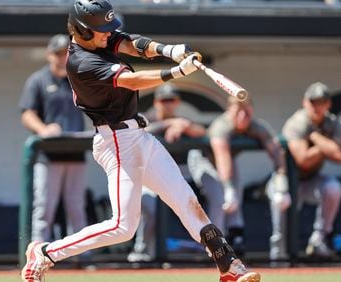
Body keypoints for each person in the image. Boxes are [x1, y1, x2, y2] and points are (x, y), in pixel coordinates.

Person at [21, 1, 260, 281]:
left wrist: (169, 51)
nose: (108, 34)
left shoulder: (100, 41)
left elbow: (132, 44)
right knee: (123, 226)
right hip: (117, 142)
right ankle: (46, 252)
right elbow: (133, 81)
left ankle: (228, 264)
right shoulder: (82, 62)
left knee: (184, 198)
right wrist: (176, 71)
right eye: (101, 30)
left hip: (137, 136)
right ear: (82, 31)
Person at [127, 83, 211, 262]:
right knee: (149, 204)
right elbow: (141, 132)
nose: (167, 104)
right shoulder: (146, 118)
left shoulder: (182, 120)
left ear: (177, 102)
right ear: (156, 102)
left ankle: (209, 248)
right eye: (164, 100)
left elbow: (203, 133)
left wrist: (185, 126)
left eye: (171, 100)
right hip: (149, 174)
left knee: (195, 203)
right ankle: (143, 250)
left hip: (179, 173)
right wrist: (170, 123)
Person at [196, 97, 288, 260]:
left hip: (229, 163)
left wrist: (282, 184)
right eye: (239, 110)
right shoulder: (221, 126)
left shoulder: (256, 125)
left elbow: (276, 151)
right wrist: (229, 188)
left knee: (234, 201)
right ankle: (213, 249)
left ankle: (235, 240)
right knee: (220, 199)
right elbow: (222, 155)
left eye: (247, 110)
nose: (243, 115)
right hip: (204, 161)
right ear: (229, 110)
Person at [19, 34, 89, 244]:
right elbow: (26, 113)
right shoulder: (38, 80)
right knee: (44, 207)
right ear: (50, 55)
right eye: (58, 53)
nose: (62, 57)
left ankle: (81, 254)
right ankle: (38, 252)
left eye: (66, 53)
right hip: (48, 155)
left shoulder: (77, 79)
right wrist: (43, 129)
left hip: (75, 153)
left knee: (76, 207)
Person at [278, 82, 341, 259]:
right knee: (279, 204)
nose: (317, 107)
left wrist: (316, 137)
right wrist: (326, 144)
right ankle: (278, 254)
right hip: (285, 179)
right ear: (305, 102)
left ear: (328, 104)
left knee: (333, 188)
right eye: (313, 102)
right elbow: (303, 160)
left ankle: (319, 239)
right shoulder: (297, 122)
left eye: (322, 102)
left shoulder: (335, 123)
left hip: (312, 179)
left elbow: (340, 156)